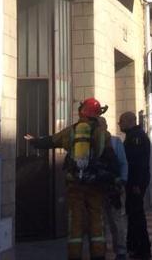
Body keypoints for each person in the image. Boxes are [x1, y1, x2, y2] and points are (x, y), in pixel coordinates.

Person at [26, 98, 117, 260]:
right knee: (97, 219)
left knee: (75, 221)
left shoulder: (71, 132)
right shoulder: (103, 133)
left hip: (74, 183)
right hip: (96, 184)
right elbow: (110, 158)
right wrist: (113, 180)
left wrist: (34, 141)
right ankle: (98, 254)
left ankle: (74, 255)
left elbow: (52, 140)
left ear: (82, 111)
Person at [120, 111, 152, 260]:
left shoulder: (136, 137)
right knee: (133, 215)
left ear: (129, 121)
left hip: (136, 183)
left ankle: (142, 248)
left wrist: (136, 183)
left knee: (136, 215)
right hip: (135, 182)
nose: (120, 124)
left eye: (122, 121)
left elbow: (137, 163)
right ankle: (134, 246)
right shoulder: (134, 136)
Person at [100, 116, 128, 260]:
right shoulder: (92, 143)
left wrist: (122, 180)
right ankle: (100, 249)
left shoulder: (116, 142)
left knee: (116, 219)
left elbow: (123, 162)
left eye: (102, 124)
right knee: (100, 220)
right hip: (98, 187)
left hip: (114, 186)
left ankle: (121, 250)